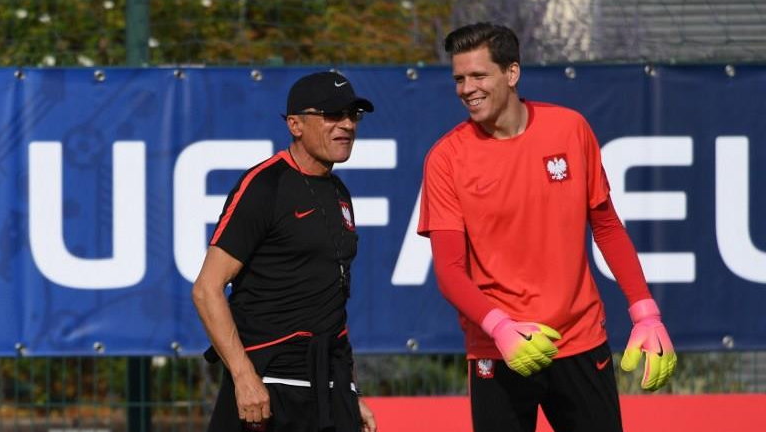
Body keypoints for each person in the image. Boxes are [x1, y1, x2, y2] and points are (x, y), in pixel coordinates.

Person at [417, 22, 677, 432]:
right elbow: (450, 271)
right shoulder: (446, 158)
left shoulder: (570, 129)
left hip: (580, 340)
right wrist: (499, 327)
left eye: (479, 75)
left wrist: (646, 313)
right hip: (498, 350)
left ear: (512, 73)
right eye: (459, 78)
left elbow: (607, 227)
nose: (467, 88)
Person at [192, 71, 377, 432]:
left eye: (353, 115)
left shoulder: (339, 192)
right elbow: (206, 289)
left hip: (330, 386)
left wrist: (351, 392)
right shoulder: (264, 186)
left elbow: (331, 302)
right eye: (332, 115)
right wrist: (244, 378)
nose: (346, 125)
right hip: (269, 387)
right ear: (295, 124)